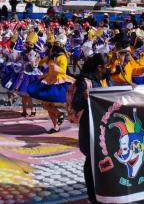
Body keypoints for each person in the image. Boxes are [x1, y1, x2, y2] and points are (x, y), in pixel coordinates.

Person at [71, 53, 108, 203]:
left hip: (105, 128)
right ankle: (93, 197)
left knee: (102, 161)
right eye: (107, 66)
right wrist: (85, 98)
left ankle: (103, 192)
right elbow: (75, 104)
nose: (109, 68)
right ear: (100, 67)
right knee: (91, 162)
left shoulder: (106, 81)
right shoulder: (86, 82)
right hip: (90, 128)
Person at [28, 34, 75, 133]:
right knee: (46, 105)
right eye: (55, 43)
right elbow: (42, 63)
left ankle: (59, 116)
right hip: (48, 79)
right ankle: (57, 123)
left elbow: (63, 70)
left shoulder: (62, 57)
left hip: (57, 81)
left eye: (58, 44)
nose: (56, 46)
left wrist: (56, 68)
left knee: (47, 104)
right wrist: (37, 61)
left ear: (62, 46)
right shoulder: (51, 56)